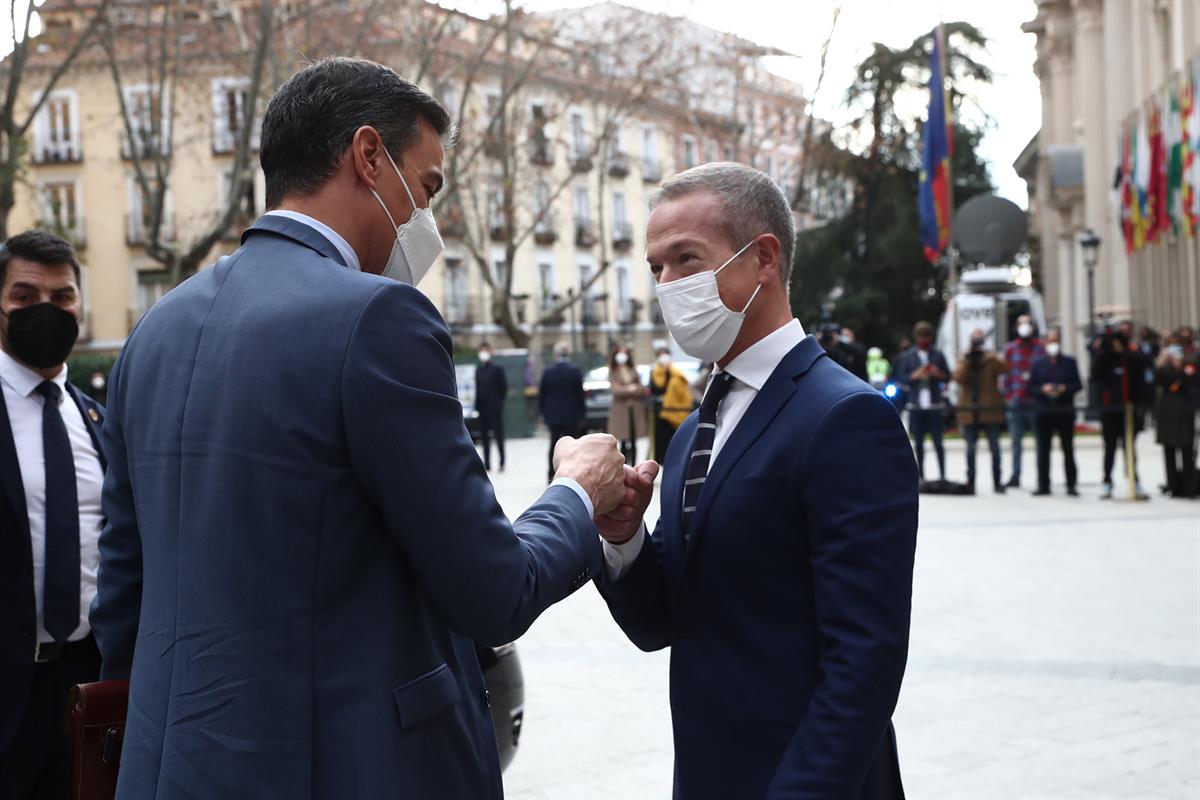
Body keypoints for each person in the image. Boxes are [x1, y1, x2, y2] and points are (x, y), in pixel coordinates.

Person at [90, 59, 629, 800]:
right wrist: (575, 493)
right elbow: (491, 589)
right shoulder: (379, 317)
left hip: (170, 768)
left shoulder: (153, 330)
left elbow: (123, 590)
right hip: (344, 767)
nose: (425, 220)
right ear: (369, 156)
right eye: (427, 186)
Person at [595, 162, 918, 798]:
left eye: (686, 259)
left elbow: (865, 661)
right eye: (657, 265)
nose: (667, 284)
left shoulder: (846, 417)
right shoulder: (693, 430)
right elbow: (661, 624)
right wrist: (624, 537)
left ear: (763, 257)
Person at [0, 231, 106, 800]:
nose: (45, 309)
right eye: (24, 295)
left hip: (88, 688)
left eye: (62, 296)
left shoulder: (99, 420)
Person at [1090, 321, 1150, 500]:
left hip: (1129, 410)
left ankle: (1135, 481)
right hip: (1110, 410)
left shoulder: (1130, 357)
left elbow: (1143, 363)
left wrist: (1122, 351)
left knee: (1129, 448)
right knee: (1109, 448)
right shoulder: (1104, 358)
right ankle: (1107, 481)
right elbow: (1095, 373)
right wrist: (1103, 349)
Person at [953, 330, 1008, 495]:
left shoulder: (991, 358)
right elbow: (959, 379)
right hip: (970, 412)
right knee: (970, 450)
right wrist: (969, 361)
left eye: (979, 340)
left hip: (989, 410)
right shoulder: (964, 358)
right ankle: (971, 482)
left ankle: (997, 482)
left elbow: (1005, 369)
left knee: (995, 448)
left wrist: (989, 357)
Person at [1029, 329, 1082, 496]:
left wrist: (1064, 388)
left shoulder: (1069, 362)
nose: (1054, 344)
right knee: (1043, 450)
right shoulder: (1038, 363)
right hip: (1044, 412)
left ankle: (1071, 484)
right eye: (1051, 341)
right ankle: (1043, 484)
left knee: (1068, 449)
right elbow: (1031, 387)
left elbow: (1078, 384)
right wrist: (1043, 389)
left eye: (1056, 341)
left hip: (1064, 410)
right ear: (1045, 342)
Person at [895, 321, 950, 482]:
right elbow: (901, 378)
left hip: (935, 405)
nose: (923, 339)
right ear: (916, 337)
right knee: (918, 443)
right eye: (921, 336)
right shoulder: (908, 356)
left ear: (930, 336)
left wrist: (937, 373)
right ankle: (920, 477)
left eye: (926, 335)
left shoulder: (937, 355)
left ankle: (942, 475)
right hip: (916, 405)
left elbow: (948, 376)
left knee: (938, 442)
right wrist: (915, 375)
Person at [1002, 314, 1046, 489]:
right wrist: (1008, 395)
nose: (1025, 326)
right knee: (1016, 441)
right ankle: (1015, 474)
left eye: (1028, 323)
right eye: (1021, 324)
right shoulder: (1011, 348)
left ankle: (1041, 477)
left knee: (1040, 442)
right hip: (1016, 400)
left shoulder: (1040, 349)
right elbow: (1005, 374)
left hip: (1035, 400)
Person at [1154, 332, 1197, 498]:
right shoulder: (1163, 366)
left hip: (1184, 412)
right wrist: (1162, 363)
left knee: (1187, 450)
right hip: (1167, 412)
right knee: (1169, 450)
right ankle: (1172, 484)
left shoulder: (1190, 363)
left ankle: (1188, 485)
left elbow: (1188, 383)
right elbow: (1157, 382)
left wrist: (1180, 366)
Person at [539, 341, 587, 482]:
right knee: (572, 446)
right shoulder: (575, 371)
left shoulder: (548, 372)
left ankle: (551, 474)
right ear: (568, 354)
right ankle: (572, 474)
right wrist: (582, 415)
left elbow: (542, 394)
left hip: (553, 415)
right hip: (571, 415)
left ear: (556, 354)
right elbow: (580, 395)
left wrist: (543, 413)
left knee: (553, 444)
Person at [649, 347, 692, 464]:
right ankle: (661, 462)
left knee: (674, 438)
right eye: (661, 355)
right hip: (660, 411)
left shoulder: (676, 373)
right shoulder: (654, 372)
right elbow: (653, 390)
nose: (664, 357)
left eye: (665, 354)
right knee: (661, 439)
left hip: (673, 411)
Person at [608, 344, 646, 464]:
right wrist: (630, 388)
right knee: (623, 441)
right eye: (620, 352)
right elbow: (616, 391)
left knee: (634, 441)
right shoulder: (613, 371)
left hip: (634, 409)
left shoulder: (633, 370)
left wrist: (629, 388)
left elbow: (641, 388)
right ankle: (624, 466)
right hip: (621, 410)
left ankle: (634, 465)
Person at [474, 342, 508, 472]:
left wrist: (498, 403)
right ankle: (487, 463)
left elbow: (503, 388)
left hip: (494, 408)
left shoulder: (497, 369)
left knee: (498, 436)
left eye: (486, 350)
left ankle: (502, 461)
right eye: (481, 350)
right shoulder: (478, 369)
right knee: (484, 438)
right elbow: (478, 388)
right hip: (482, 408)